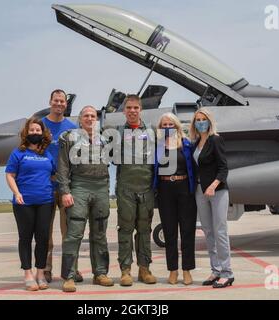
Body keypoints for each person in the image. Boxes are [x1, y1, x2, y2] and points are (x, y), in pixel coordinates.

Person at [57, 106, 114, 292]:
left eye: (93, 116)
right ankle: (69, 276)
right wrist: (65, 191)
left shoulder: (105, 139)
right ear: (80, 119)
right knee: (74, 233)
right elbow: (63, 166)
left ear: (96, 119)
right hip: (79, 186)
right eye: (86, 116)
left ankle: (100, 273)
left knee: (100, 233)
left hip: (101, 188)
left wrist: (106, 189)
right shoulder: (69, 138)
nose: (90, 118)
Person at [5, 117, 55, 291]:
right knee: (25, 238)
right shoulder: (18, 153)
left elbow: (54, 174)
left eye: (38, 130)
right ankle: (27, 274)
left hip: (45, 201)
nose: (35, 133)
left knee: (42, 238)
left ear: (43, 133)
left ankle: (40, 273)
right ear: (27, 133)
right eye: (32, 130)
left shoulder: (46, 154)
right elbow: (10, 175)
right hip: (24, 202)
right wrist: (16, 193)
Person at [189, 108, 234, 288]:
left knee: (220, 231)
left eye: (203, 119)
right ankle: (215, 270)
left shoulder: (216, 139)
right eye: (197, 120)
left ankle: (227, 272)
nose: (200, 122)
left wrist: (213, 185)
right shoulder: (196, 143)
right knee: (207, 231)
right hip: (200, 192)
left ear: (209, 121)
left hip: (217, 191)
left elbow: (224, 168)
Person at [115, 94, 157, 286]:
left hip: (146, 188)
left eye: (135, 108)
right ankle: (125, 270)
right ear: (124, 110)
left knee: (144, 230)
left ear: (140, 110)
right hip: (126, 189)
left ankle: (144, 269)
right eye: (129, 108)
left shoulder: (151, 132)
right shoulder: (116, 133)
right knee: (125, 230)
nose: (132, 111)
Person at [41, 89, 82, 283]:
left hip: (67, 186)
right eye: (56, 101)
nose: (59, 104)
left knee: (70, 232)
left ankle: (72, 269)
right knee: (45, 232)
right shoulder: (40, 126)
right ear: (50, 102)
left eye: (62, 101)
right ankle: (46, 269)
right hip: (47, 185)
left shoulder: (72, 128)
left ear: (66, 105)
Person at [154, 113, 197, 285]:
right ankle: (173, 270)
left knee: (187, 231)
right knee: (169, 232)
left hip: (185, 189)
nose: (167, 127)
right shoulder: (157, 147)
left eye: (170, 124)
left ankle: (187, 270)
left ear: (177, 126)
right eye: (163, 125)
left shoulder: (186, 145)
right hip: (165, 191)